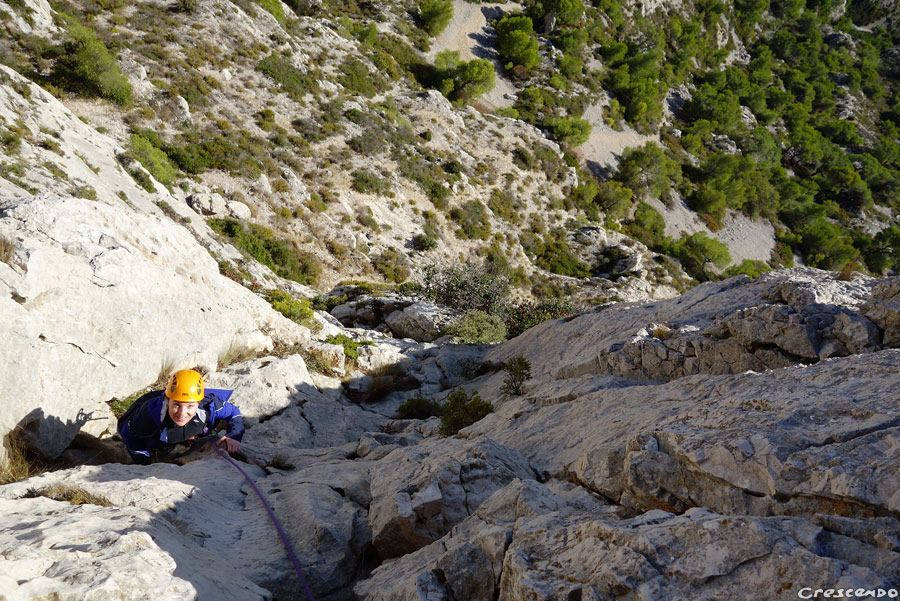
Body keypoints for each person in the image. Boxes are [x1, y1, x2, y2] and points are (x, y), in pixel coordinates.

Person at [118, 369, 244, 465]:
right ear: (167, 401)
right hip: (152, 425)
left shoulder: (209, 405)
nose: (182, 413)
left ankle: (190, 435)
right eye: (177, 405)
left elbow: (234, 413)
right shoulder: (149, 415)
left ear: (199, 403)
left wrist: (234, 436)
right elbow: (130, 437)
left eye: (190, 406)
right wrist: (144, 462)